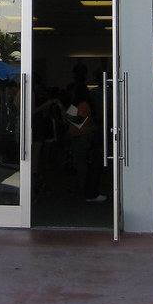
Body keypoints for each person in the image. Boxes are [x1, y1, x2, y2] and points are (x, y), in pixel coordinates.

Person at [67, 65, 106, 202]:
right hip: (82, 134)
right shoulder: (85, 101)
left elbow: (71, 117)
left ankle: (84, 190)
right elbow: (76, 118)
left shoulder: (77, 102)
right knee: (83, 163)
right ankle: (87, 191)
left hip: (77, 135)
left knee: (80, 163)